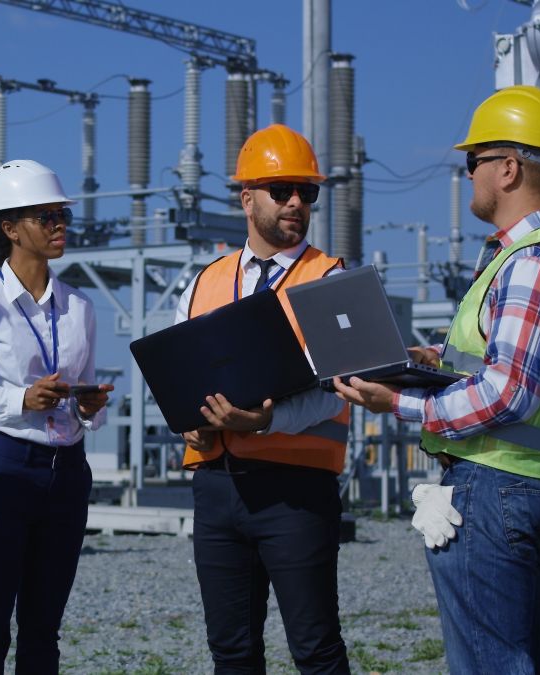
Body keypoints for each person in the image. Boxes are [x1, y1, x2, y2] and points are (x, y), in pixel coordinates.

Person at [333, 85, 540, 674]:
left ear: (508, 169)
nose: (467, 175)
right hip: (532, 487)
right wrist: (434, 365)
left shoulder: (531, 263)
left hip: (498, 489)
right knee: (525, 651)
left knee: (488, 662)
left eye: (471, 162)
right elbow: (504, 368)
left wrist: (398, 403)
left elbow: (508, 393)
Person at [177, 124, 352, 673]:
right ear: (246, 198)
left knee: (316, 650)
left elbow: (339, 391)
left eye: (307, 192)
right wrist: (189, 423)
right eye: (282, 191)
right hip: (216, 487)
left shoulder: (331, 277)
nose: (297, 203)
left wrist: (265, 421)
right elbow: (177, 377)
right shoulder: (204, 280)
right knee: (231, 652)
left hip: (296, 493)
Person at [0, 159, 113, 674]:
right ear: (9, 228)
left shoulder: (80, 307)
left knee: (44, 630)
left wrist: (90, 407)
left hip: (68, 473)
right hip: (1, 470)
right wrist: (19, 400)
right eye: (46, 216)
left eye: (62, 215)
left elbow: (83, 396)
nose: (60, 226)